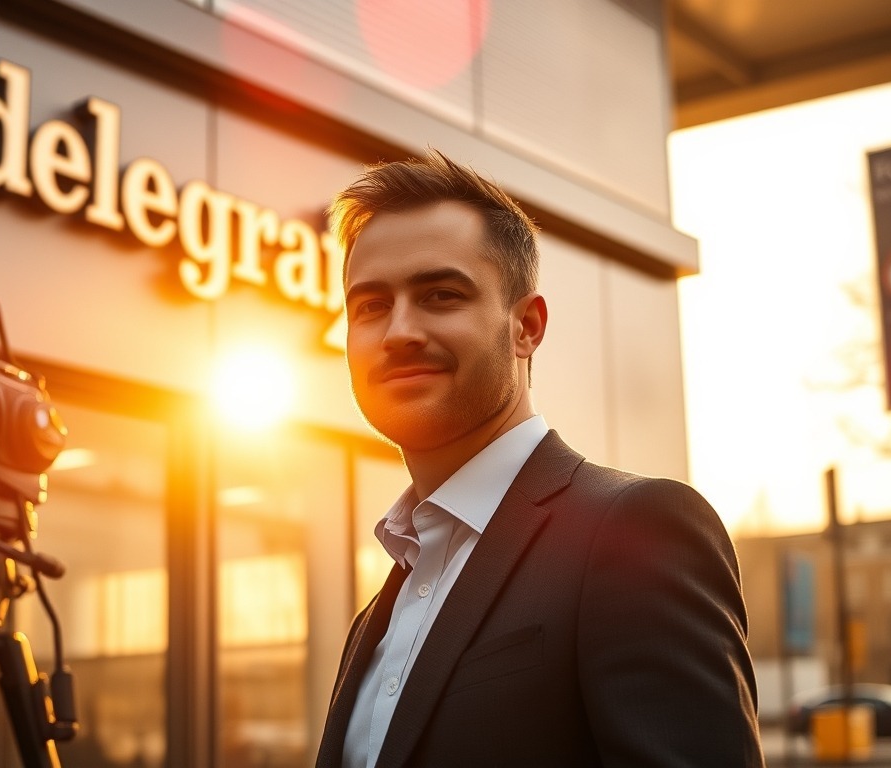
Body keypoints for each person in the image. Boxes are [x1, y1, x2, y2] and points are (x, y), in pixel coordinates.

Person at [314, 150, 764, 767]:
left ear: (526, 326)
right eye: (369, 306)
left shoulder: (637, 530)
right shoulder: (376, 620)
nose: (398, 332)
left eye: (440, 295)